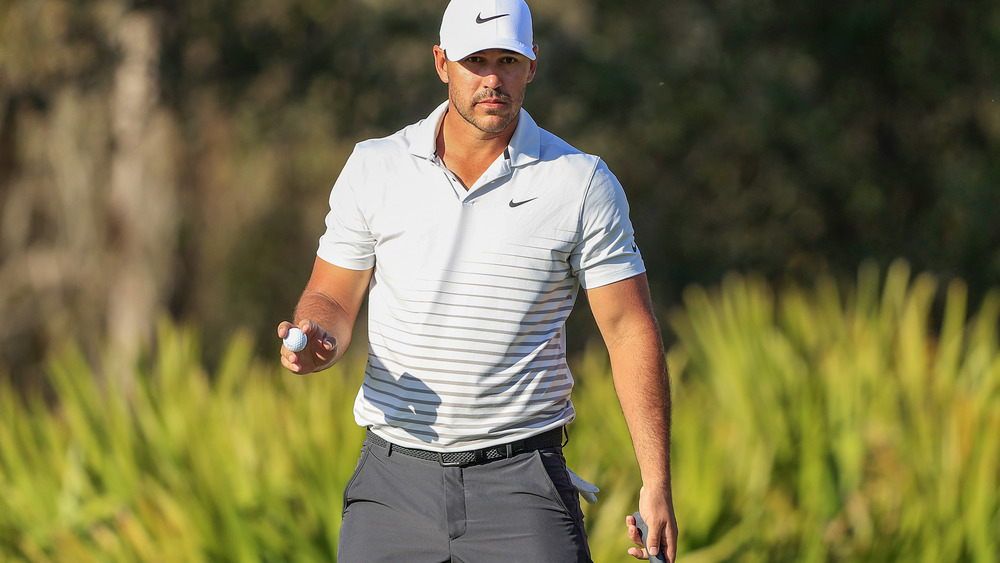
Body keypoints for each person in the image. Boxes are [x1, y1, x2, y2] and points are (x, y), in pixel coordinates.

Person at [277, 0, 678, 560]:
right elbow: (332, 298)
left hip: (523, 483)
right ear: (441, 63)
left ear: (532, 64)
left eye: (508, 61)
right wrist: (318, 337)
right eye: (476, 60)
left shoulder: (581, 182)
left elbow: (629, 328)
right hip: (392, 485)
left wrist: (655, 481)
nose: (493, 79)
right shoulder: (375, 167)